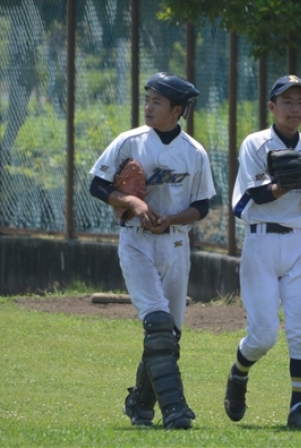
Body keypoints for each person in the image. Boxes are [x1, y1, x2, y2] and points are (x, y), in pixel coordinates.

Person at [89, 72, 216, 430]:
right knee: (158, 324)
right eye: (147, 99)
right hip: (136, 241)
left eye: (157, 101)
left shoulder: (194, 152)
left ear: (177, 110)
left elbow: (202, 206)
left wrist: (172, 218)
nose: (148, 106)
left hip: (176, 245)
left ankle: (139, 404)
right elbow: (97, 185)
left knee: (168, 336)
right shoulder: (130, 142)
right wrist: (131, 201)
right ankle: (176, 411)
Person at [225, 75, 301, 430]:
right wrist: (287, 182)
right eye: (287, 101)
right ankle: (239, 372)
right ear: (272, 107)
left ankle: (297, 409)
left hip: (299, 243)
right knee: (263, 335)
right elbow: (253, 196)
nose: (295, 108)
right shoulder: (256, 143)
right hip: (261, 243)